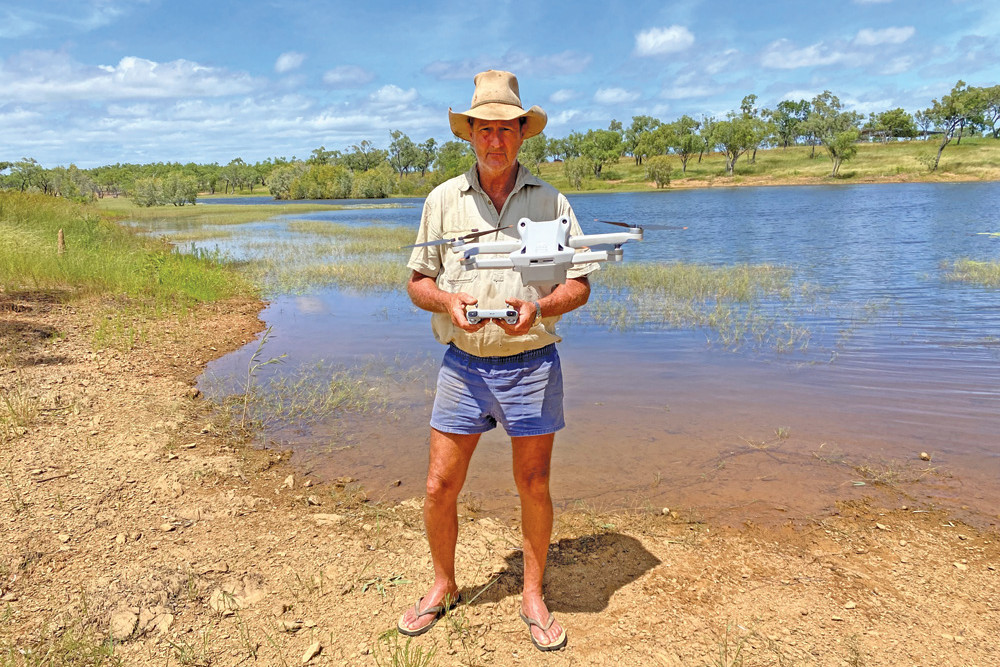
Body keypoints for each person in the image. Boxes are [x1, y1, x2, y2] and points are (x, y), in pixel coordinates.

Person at [397, 70, 596, 652]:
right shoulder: (441, 201)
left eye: (505, 129)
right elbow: (416, 283)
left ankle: (533, 595)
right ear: (470, 135)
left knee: (533, 484)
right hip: (462, 365)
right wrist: (446, 300)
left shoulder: (553, 202)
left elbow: (580, 286)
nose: (495, 141)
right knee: (438, 485)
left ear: (521, 134)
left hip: (531, 363)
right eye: (484, 130)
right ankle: (443, 585)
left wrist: (540, 305)